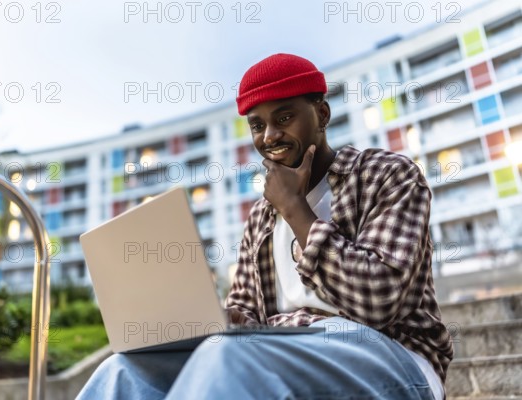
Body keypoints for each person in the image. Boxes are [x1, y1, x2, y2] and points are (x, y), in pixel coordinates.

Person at [77, 53, 453, 400]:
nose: (270, 136)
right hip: (275, 351)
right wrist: (221, 318)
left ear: (321, 114)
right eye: (258, 125)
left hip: (392, 357)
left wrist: (295, 209)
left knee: (229, 355)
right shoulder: (260, 216)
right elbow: (244, 311)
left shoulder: (387, 176)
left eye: (284, 117)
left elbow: (378, 302)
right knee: (122, 373)